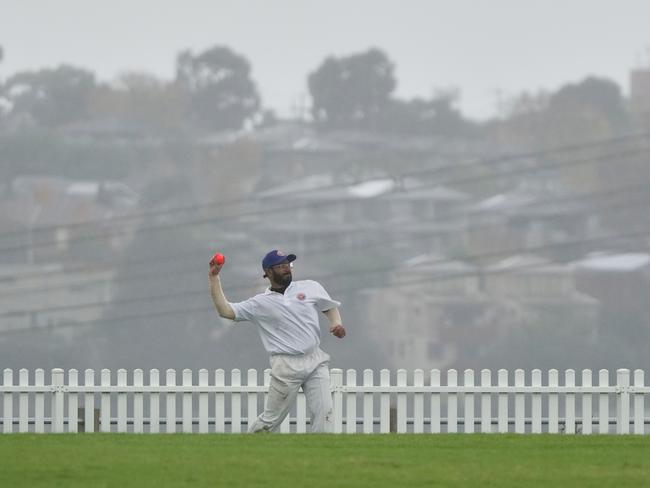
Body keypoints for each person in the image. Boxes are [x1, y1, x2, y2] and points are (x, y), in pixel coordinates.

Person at [208, 249, 346, 433]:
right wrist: (214, 278)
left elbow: (328, 306)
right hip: (286, 365)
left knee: (325, 414)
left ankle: (319, 457)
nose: (286, 269)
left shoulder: (310, 286)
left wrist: (336, 324)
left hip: (315, 359)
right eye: (280, 266)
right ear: (268, 272)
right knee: (270, 422)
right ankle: (245, 449)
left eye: (287, 265)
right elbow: (225, 311)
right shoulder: (259, 303)